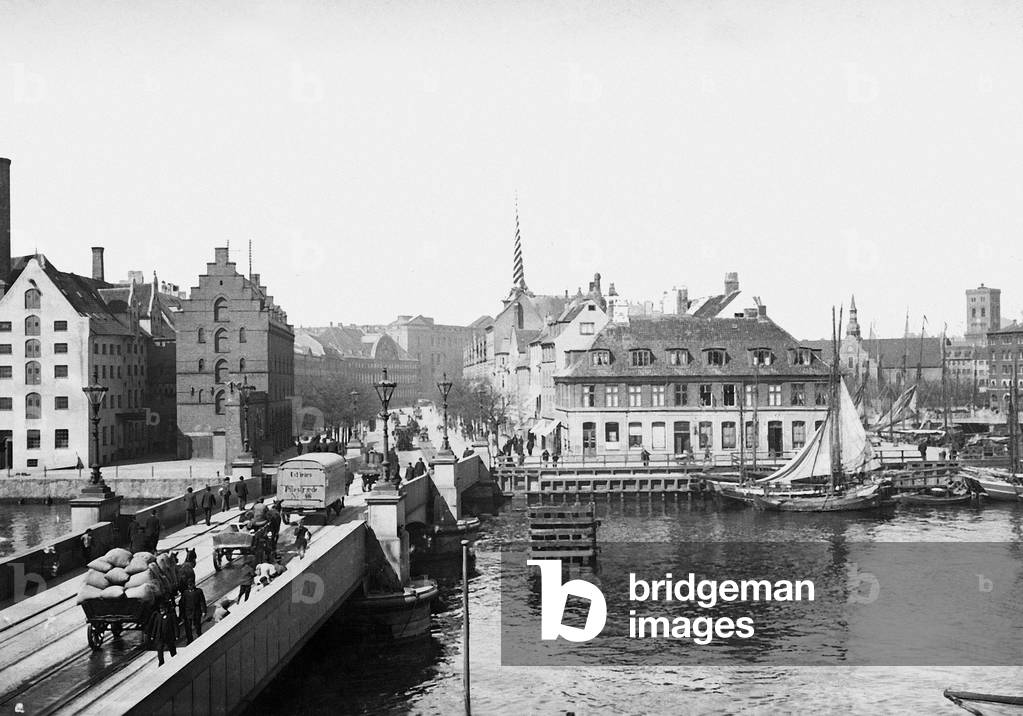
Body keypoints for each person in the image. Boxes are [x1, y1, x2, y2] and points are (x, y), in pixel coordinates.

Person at [146, 600, 178, 666]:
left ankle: (175, 658)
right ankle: (161, 662)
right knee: (159, 649)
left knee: (171, 648)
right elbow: (155, 626)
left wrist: (176, 635)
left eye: (163, 609)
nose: (161, 610)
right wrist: (152, 635)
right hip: (159, 637)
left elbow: (175, 626)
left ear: (166, 609)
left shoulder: (171, 616)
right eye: (160, 609)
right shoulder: (158, 616)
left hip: (168, 636)